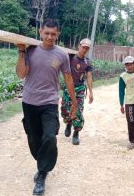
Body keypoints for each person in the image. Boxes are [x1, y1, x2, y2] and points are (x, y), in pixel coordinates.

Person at [16, 19, 77, 196]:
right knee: (34, 138)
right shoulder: (30, 50)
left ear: (58, 35)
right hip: (29, 102)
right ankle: (41, 164)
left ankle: (42, 174)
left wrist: (73, 102)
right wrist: (21, 50)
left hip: (49, 102)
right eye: (47, 33)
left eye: (53, 34)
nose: (50, 37)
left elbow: (68, 79)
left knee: (49, 136)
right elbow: (21, 74)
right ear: (41, 32)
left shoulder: (62, 55)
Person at [61, 38, 94, 145]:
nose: (85, 50)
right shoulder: (69, 57)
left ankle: (76, 133)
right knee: (65, 109)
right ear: (79, 46)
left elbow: (89, 76)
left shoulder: (87, 62)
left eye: (87, 48)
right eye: (83, 47)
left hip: (79, 89)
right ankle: (69, 123)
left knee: (78, 110)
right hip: (68, 88)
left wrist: (91, 92)